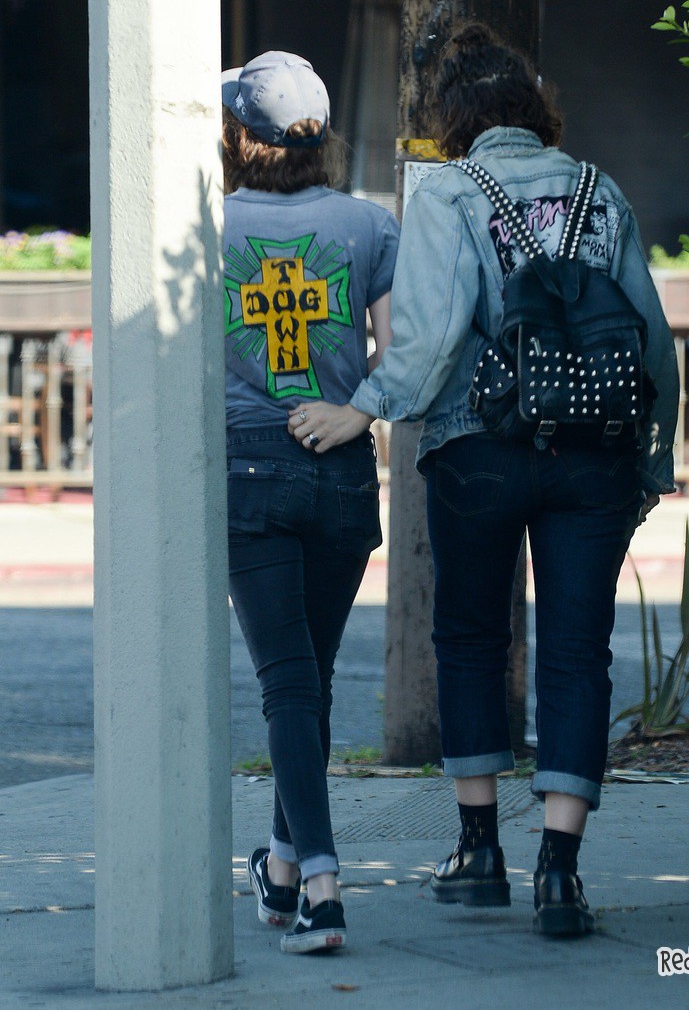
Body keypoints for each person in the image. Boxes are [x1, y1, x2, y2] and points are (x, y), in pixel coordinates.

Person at [287, 24, 679, 936]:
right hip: (594, 454)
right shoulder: (601, 190)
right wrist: (650, 464)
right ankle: (561, 872)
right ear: (537, 111)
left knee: (469, 637)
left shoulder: (452, 191)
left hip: (478, 449)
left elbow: (427, 339)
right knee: (579, 650)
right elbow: (653, 342)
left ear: (453, 118)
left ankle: (478, 853)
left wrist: (364, 408)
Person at [221, 51, 399, 953]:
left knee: (287, 683)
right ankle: (285, 870)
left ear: (238, 138)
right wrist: (354, 412)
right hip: (341, 465)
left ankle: (323, 891)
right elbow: (403, 354)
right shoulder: (369, 224)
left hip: (249, 467)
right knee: (309, 682)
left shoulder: (207, 228)